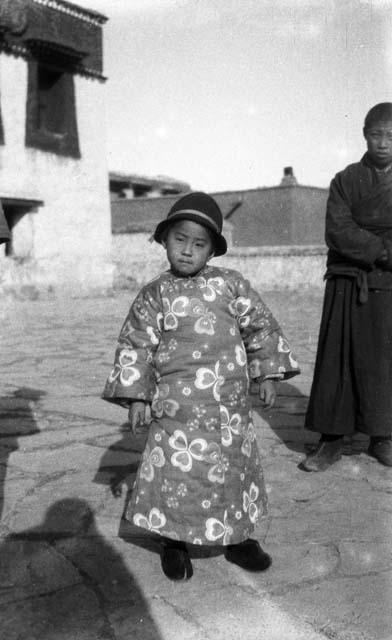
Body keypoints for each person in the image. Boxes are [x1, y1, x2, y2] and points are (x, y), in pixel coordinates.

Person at [102, 191, 300, 580]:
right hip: (175, 409)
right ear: (164, 240)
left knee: (231, 471)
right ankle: (173, 541)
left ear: (212, 251)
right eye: (180, 240)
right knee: (175, 476)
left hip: (227, 408)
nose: (187, 251)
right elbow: (136, 345)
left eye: (199, 244)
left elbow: (259, 326)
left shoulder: (232, 285)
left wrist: (268, 372)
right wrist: (137, 397)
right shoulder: (154, 295)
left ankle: (237, 537)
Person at [302, 102, 392, 472]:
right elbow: (337, 230)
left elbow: (352, 229)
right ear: (364, 136)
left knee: (383, 363)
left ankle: (383, 435)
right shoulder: (346, 179)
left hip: (387, 285)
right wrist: (383, 248)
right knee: (337, 361)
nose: (383, 143)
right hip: (346, 282)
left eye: (390, 136)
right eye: (376, 135)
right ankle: (332, 440)